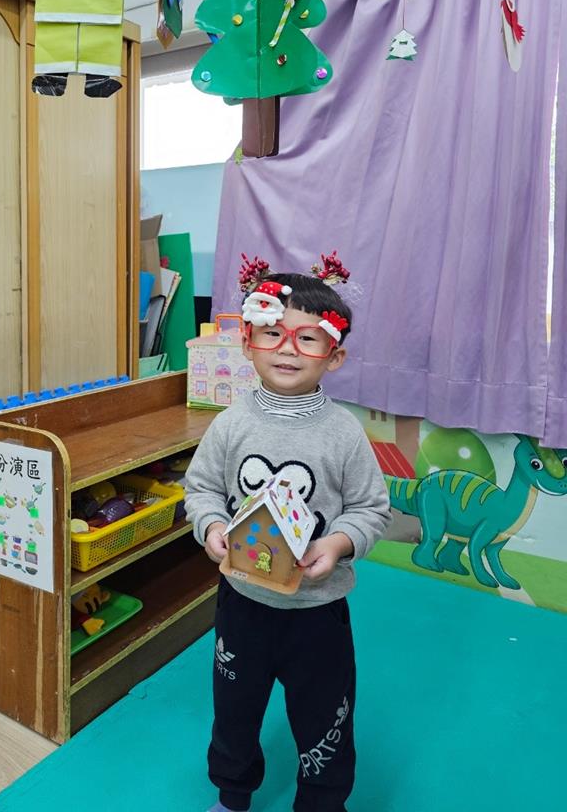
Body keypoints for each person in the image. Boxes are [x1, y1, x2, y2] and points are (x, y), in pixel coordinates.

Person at [185, 266, 391, 812]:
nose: (287, 349)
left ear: (334, 355)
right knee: (234, 709)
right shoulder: (230, 424)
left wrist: (337, 544)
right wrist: (211, 527)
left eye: (308, 338)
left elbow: (371, 508)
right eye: (273, 333)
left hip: (317, 613)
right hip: (242, 604)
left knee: (326, 716)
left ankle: (321, 801)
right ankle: (233, 794)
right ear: (248, 343)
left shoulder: (344, 433)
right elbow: (201, 489)